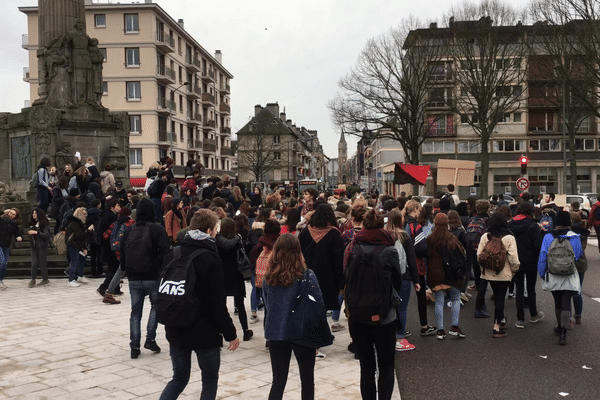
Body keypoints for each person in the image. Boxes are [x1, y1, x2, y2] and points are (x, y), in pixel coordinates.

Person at [159, 209, 239, 400]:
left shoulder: (174, 253)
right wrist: (231, 334)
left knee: (178, 378)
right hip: (205, 331)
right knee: (209, 379)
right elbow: (217, 304)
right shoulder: (210, 258)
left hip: (176, 327)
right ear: (210, 230)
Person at [343, 208, 401, 400]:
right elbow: (397, 281)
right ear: (382, 225)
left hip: (358, 313)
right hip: (384, 315)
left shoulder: (351, 248)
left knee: (366, 368)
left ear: (364, 225)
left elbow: (345, 276)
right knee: (386, 366)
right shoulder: (389, 250)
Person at [263, 233, 323, 400]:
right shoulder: (307, 275)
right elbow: (317, 304)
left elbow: (267, 304)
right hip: (302, 332)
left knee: (278, 381)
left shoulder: (269, 278)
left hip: (276, 331)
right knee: (307, 380)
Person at [120, 199, 170, 358]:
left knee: (135, 312)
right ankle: (150, 338)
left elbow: (122, 253)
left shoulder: (129, 230)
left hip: (133, 277)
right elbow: (165, 253)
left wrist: (125, 270)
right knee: (155, 306)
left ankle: (134, 347)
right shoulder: (157, 229)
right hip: (153, 275)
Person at [299, 204, 345, 338]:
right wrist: (341, 282)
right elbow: (339, 260)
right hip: (328, 276)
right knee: (323, 306)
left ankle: (315, 332)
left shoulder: (306, 232)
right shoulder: (334, 233)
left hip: (307, 273)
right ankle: (320, 333)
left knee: (310, 305)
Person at [538, 211, 583, 345]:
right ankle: (564, 331)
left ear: (556, 222)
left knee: (558, 301)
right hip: (569, 274)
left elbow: (543, 256)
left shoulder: (548, 237)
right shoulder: (574, 237)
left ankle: (559, 327)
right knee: (566, 301)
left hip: (553, 273)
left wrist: (542, 273)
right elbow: (578, 254)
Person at [477, 212, 520, 338]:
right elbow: (513, 257)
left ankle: (501, 319)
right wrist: (514, 270)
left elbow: (479, 254)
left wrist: (483, 269)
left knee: (497, 296)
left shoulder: (485, 236)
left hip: (488, 272)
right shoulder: (509, 237)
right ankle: (496, 327)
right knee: (500, 299)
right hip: (504, 272)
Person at [426, 213, 467, 340]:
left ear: (435, 223)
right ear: (447, 223)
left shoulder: (430, 239)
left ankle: (440, 330)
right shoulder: (451, 238)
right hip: (452, 275)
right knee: (455, 299)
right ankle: (455, 327)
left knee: (439, 301)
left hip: (436, 275)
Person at [385, 209, 419, 351]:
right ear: (401, 220)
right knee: (402, 308)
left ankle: (388, 336)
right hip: (403, 276)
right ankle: (400, 338)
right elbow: (411, 259)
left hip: (387, 277)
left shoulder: (384, 235)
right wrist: (416, 280)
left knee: (388, 307)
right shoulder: (404, 236)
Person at [215, 217, 254, 341]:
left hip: (221, 274)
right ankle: (245, 331)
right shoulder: (237, 239)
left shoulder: (216, 240)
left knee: (222, 304)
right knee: (240, 305)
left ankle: (220, 334)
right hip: (236, 273)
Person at [508, 202, 545, 328]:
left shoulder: (511, 224)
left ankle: (520, 319)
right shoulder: (533, 226)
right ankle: (533, 314)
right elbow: (537, 245)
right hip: (530, 261)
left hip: (515, 260)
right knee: (531, 288)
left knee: (519, 289)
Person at [403, 199, 436, 336]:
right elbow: (421, 247)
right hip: (416, 263)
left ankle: (401, 329)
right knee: (420, 296)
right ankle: (424, 325)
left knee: (401, 299)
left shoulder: (401, 222)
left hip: (401, 264)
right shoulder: (416, 226)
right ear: (416, 209)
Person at [27, 208, 52, 287]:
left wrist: (36, 232)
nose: (34, 215)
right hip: (34, 246)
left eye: (35, 213)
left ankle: (45, 279)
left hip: (42, 246)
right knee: (34, 263)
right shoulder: (32, 223)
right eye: (33, 213)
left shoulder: (44, 224)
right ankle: (33, 279)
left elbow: (46, 235)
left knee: (42, 263)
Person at [65, 207, 89, 287]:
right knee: (74, 262)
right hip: (73, 245)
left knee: (82, 259)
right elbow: (79, 235)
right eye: (84, 214)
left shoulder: (80, 223)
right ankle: (71, 279)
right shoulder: (75, 223)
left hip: (79, 245)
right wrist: (88, 230)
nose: (85, 216)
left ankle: (80, 276)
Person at [0, 209, 23, 289]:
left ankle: (1, 280)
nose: (11, 215)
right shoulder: (2, 219)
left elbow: (17, 232)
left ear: (16, 216)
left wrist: (19, 236)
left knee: (5, 264)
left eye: (13, 214)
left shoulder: (14, 224)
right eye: (10, 213)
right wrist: (3, 211)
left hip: (6, 245)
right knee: (2, 262)